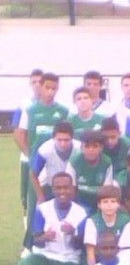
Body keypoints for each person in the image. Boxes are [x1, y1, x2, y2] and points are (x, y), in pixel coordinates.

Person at [14, 72, 69, 252]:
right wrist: (30, 156)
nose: (50, 92)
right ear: (41, 87)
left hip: (57, 165)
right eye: (47, 88)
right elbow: (19, 134)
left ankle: (56, 243)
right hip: (38, 167)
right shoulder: (30, 110)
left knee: (58, 202)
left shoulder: (63, 111)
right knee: (35, 204)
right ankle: (29, 245)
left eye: (54, 88)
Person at [16, 172, 87, 265]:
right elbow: (36, 241)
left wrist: (73, 233)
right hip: (46, 256)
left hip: (68, 260)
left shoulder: (80, 213)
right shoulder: (43, 210)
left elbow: (80, 245)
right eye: (58, 188)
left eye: (66, 187)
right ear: (52, 189)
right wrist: (45, 237)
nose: (62, 191)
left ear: (72, 189)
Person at [12, 68, 43, 225]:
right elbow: (18, 133)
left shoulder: (55, 106)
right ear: (30, 84)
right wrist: (30, 156)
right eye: (34, 82)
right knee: (27, 197)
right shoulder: (24, 105)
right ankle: (27, 232)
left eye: (40, 82)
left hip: (47, 160)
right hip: (28, 160)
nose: (37, 85)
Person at [30, 121, 80, 203]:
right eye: (59, 140)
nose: (63, 144)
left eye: (66, 140)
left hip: (74, 188)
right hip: (50, 188)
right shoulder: (45, 150)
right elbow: (33, 174)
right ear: (53, 138)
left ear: (72, 138)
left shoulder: (79, 149)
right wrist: (40, 197)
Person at [84, 185, 130, 265]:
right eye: (105, 202)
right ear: (99, 205)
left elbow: (124, 251)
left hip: (118, 262)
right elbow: (90, 251)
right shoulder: (92, 221)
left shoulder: (125, 221)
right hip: (98, 261)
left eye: (113, 201)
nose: (109, 205)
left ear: (118, 204)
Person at [65, 130, 113, 215]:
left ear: (101, 148)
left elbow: (106, 190)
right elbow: (71, 189)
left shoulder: (107, 162)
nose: (91, 150)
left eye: (95, 146)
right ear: (81, 148)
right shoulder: (74, 161)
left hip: (98, 200)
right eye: (87, 146)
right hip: (80, 199)